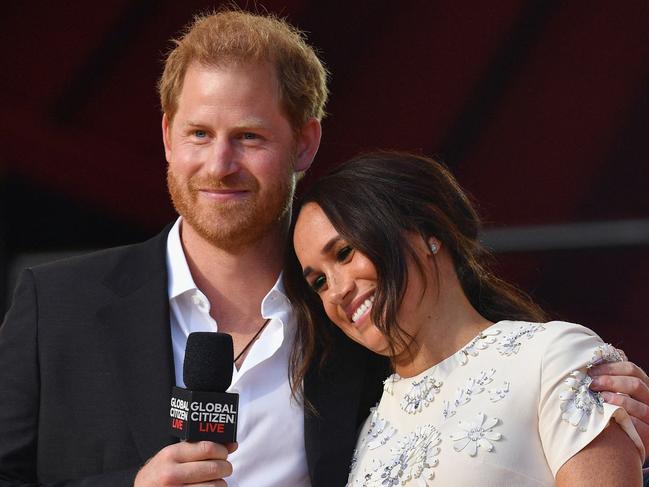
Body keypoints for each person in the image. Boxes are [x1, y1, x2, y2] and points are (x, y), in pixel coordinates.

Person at [0, 8, 647, 487]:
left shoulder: (362, 321)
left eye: (248, 137)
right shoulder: (55, 304)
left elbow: (488, 397)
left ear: (304, 143)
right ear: (168, 136)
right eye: (198, 133)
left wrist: (587, 403)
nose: (218, 163)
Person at [285, 151, 646, 486]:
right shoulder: (365, 432)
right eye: (318, 281)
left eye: (345, 253)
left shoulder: (553, 358)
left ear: (428, 230)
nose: (336, 291)